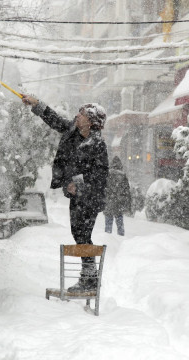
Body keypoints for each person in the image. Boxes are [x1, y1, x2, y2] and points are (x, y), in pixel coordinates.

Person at [21, 94, 108, 292]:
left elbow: (100, 176)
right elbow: (55, 120)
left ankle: (89, 279)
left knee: (82, 234)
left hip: (91, 198)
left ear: (92, 122)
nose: (77, 116)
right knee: (79, 234)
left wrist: (78, 184)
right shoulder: (73, 132)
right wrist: (37, 105)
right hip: (77, 196)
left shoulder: (97, 145)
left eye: (83, 114)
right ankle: (90, 278)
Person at [103, 156, 131, 236]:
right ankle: (121, 237)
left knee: (108, 223)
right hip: (119, 202)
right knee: (120, 222)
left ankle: (108, 238)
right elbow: (127, 191)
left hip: (108, 201)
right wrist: (127, 204)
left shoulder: (106, 175)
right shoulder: (122, 176)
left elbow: (103, 188)